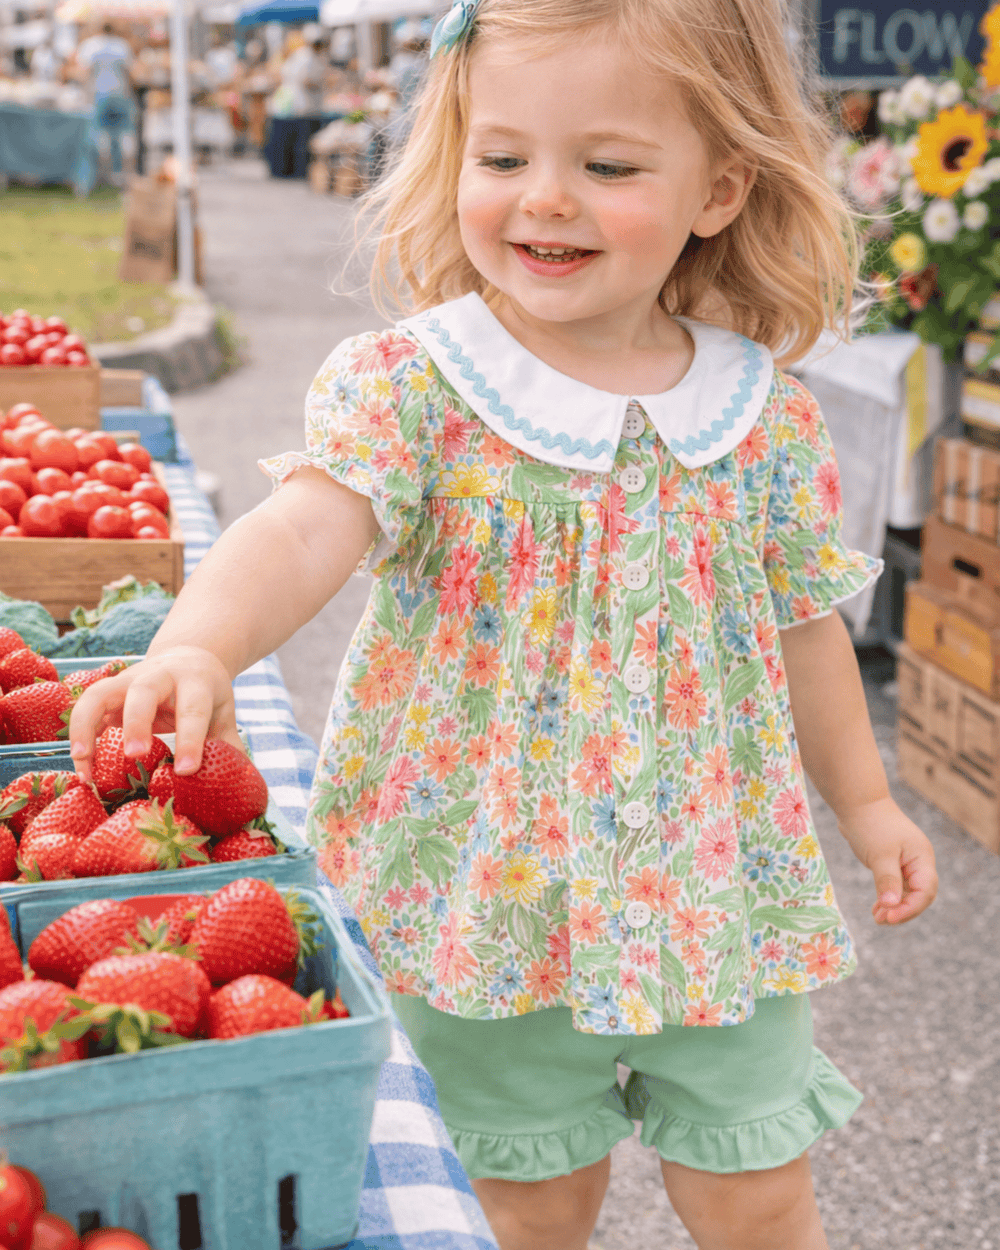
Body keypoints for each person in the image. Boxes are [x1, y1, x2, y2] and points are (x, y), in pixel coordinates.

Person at [69, 1, 938, 1247]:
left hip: (714, 880)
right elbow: (305, 528)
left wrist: (864, 804)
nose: (546, 198)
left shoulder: (761, 414)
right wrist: (199, 640)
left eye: (608, 165)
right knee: (521, 1194)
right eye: (504, 157)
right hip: (483, 880)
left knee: (758, 1183)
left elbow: (804, 628)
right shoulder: (421, 384)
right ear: (455, 156)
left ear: (720, 187)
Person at [75, 21, 135, 179]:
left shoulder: (91, 45)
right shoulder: (122, 46)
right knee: (116, 135)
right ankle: (116, 171)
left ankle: (95, 171)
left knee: (94, 132)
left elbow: (84, 72)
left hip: (98, 94)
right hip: (119, 93)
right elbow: (129, 71)